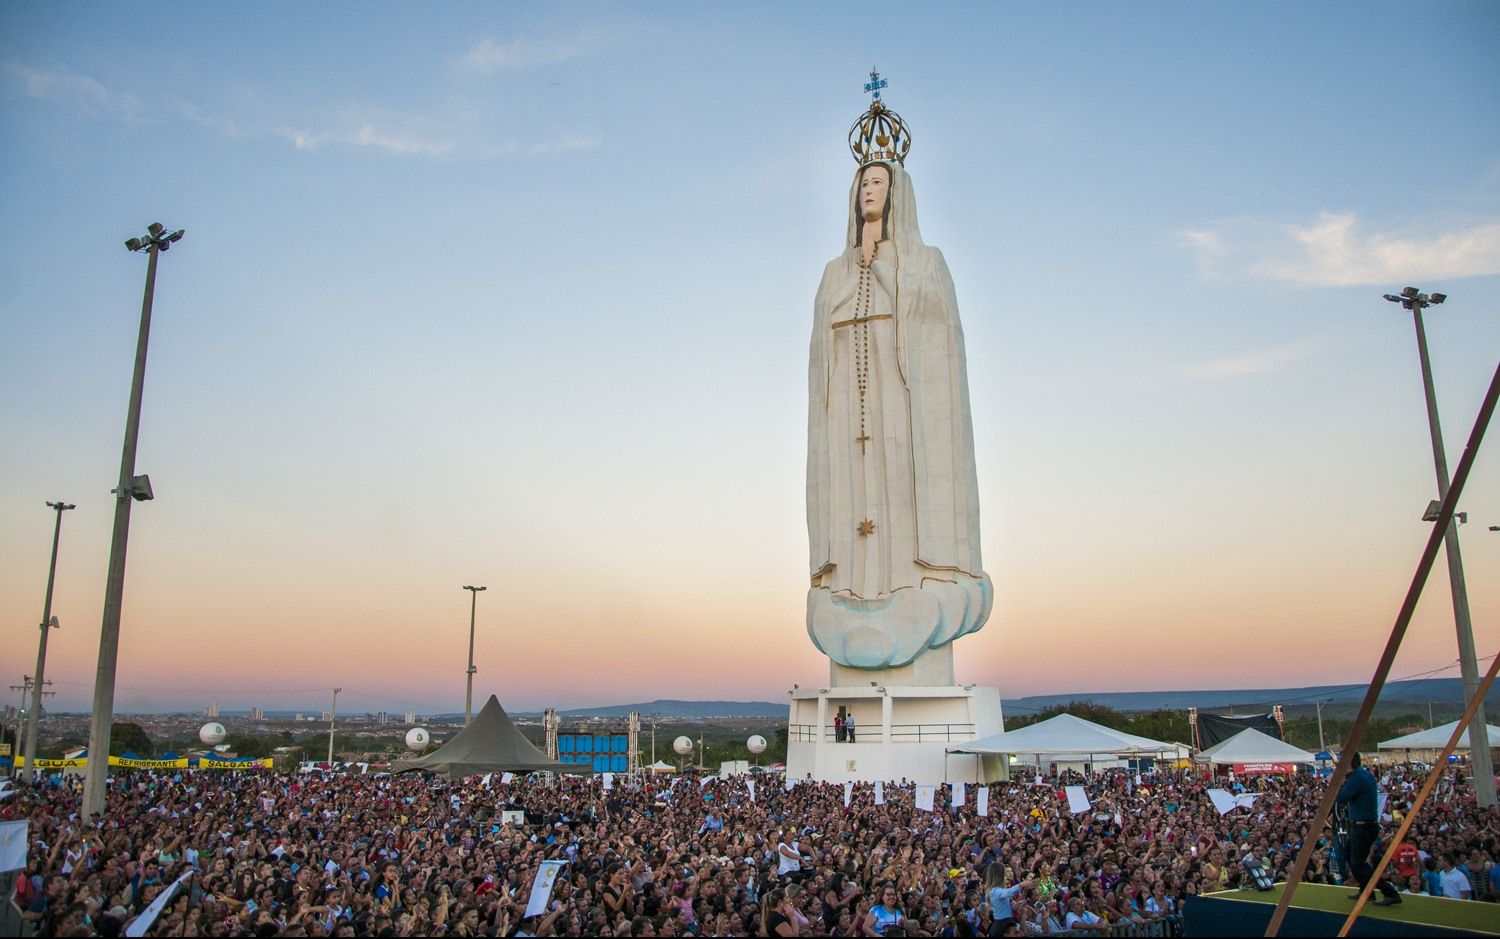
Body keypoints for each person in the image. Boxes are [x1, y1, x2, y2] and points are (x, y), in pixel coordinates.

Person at [1335, 752, 1400, 907]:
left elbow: (1340, 798)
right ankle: (1366, 890)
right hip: (1365, 825)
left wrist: (1335, 780)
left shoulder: (1356, 778)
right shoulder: (1364, 774)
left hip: (1363, 826)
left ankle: (1389, 892)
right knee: (1348, 853)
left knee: (1358, 863)